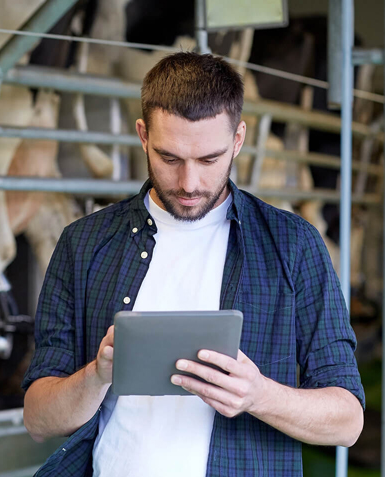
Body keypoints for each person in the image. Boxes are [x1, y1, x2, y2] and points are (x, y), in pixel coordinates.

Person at [22, 52, 365, 477]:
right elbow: (37, 417)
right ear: (143, 135)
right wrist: (97, 374)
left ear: (238, 139)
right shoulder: (85, 244)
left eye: (208, 160)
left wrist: (258, 395)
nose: (189, 183)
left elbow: (348, 421)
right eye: (170, 158)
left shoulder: (292, 245)